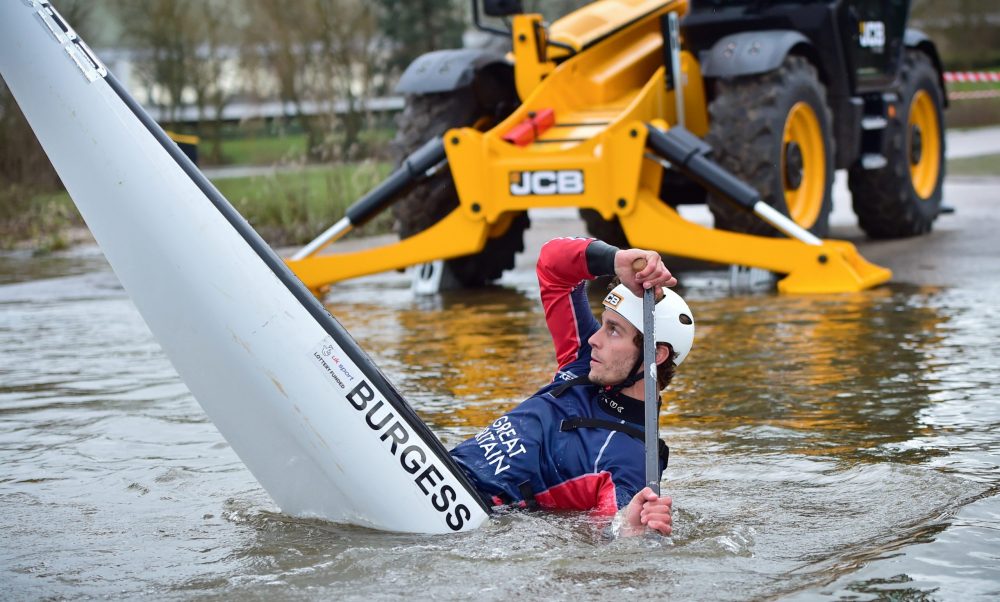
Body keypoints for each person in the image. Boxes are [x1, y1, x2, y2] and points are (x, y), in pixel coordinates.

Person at [450, 237, 695, 536]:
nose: (595, 338)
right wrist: (616, 261)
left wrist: (628, 530)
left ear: (654, 355)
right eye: (603, 324)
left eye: (613, 331)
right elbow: (553, 267)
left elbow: (611, 532)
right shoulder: (584, 361)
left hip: (462, 513)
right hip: (446, 469)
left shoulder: (632, 459)